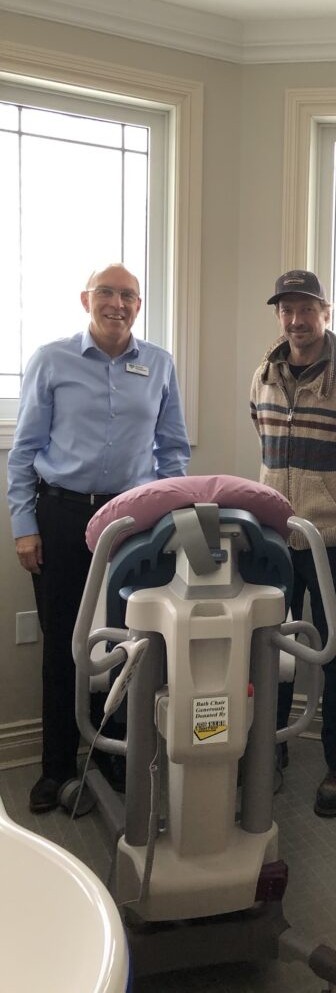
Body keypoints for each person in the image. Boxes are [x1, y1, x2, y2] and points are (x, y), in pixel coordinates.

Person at [8, 263, 190, 814]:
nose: (118, 303)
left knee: (127, 640)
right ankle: (57, 767)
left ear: (139, 305)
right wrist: (24, 526)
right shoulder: (51, 359)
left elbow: (172, 450)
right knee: (65, 640)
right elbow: (23, 451)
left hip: (132, 523)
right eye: (106, 293)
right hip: (63, 517)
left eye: (128, 295)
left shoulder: (159, 363)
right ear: (85, 300)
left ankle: (112, 753)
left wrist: (170, 517)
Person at [249, 269, 336, 817]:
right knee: (268, 651)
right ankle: (266, 751)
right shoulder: (262, 377)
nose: (296, 320)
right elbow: (264, 441)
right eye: (287, 309)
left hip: (332, 545)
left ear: (326, 313)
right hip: (274, 542)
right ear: (279, 315)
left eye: (307, 309)